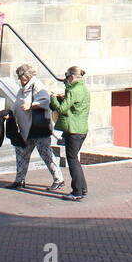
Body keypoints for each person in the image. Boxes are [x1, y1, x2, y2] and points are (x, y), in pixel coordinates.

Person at [8, 64, 62, 192]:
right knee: (21, 153)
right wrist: (10, 114)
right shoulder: (22, 89)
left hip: (38, 128)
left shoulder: (36, 85)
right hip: (25, 128)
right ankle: (19, 180)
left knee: (46, 154)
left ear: (26, 77)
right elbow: (17, 105)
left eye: (20, 77)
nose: (19, 79)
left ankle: (58, 179)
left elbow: (45, 101)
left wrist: (31, 105)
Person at [51, 65, 91, 202]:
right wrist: (65, 95)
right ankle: (82, 188)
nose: (66, 80)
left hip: (73, 130)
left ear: (72, 77)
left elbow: (62, 109)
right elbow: (74, 105)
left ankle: (77, 191)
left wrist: (54, 98)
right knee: (75, 160)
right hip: (81, 129)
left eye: (67, 77)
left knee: (72, 160)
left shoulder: (74, 90)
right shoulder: (83, 89)